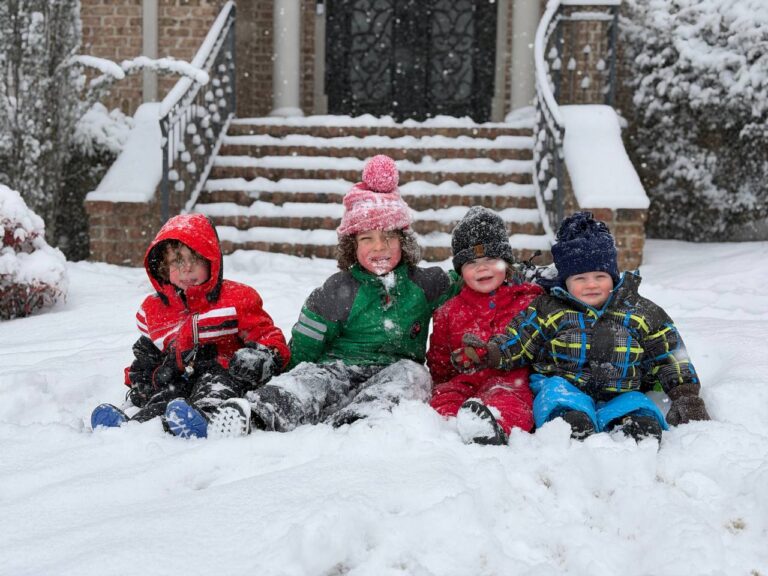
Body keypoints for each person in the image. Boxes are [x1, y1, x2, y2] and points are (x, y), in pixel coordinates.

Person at [208, 155, 456, 437]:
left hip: (392, 371)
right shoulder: (338, 291)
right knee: (311, 380)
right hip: (339, 368)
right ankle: (258, 413)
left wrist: (507, 272)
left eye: (389, 237)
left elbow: (465, 283)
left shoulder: (424, 284)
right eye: (367, 239)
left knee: (414, 376)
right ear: (352, 246)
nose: (380, 247)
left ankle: (358, 419)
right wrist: (287, 372)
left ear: (404, 241)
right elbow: (305, 346)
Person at [451, 211, 710, 443]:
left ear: (613, 275)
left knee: (638, 407)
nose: (591, 285)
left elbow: (671, 353)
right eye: (580, 278)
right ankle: (569, 424)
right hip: (563, 385)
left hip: (622, 391)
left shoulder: (639, 311)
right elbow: (520, 339)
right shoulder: (549, 309)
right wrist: (491, 353)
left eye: (600, 276)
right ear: (566, 281)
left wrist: (685, 394)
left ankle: (635, 428)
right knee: (555, 399)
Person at [90, 213, 290, 438]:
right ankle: (136, 425)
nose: (187, 268)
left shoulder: (236, 299)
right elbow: (151, 352)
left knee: (214, 389)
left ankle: (204, 419)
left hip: (223, 372)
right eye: (177, 261)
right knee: (163, 397)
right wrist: (142, 378)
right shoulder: (155, 310)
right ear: (163, 267)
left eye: (195, 258)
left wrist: (266, 356)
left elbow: (266, 334)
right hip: (177, 379)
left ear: (212, 261)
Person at [428, 206, 543, 445]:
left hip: (510, 380)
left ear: (506, 262)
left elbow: (539, 346)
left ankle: (495, 426)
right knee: (443, 398)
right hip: (464, 380)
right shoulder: (450, 311)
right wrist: (450, 371)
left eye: (491, 259)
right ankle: (447, 435)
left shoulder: (528, 302)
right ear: (461, 271)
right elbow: (439, 360)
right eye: (471, 263)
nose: (482, 268)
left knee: (512, 401)